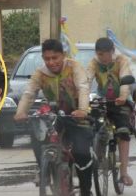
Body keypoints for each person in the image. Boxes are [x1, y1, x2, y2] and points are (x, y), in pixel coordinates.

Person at [14, 39, 93, 196]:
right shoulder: (40, 73)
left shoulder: (74, 67)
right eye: (47, 59)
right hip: (53, 115)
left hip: (75, 115)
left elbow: (83, 88)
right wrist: (21, 112)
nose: (51, 62)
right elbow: (29, 93)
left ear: (63, 55)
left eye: (55, 58)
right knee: (37, 133)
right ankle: (44, 169)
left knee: (81, 153)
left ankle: (86, 190)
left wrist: (83, 110)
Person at [86, 37, 134, 186]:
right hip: (102, 98)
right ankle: (96, 155)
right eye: (100, 56)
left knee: (123, 132)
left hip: (121, 99)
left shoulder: (121, 61)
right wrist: (83, 98)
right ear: (97, 53)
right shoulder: (94, 63)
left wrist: (123, 97)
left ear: (112, 52)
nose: (103, 60)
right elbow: (86, 80)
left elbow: (126, 79)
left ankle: (124, 172)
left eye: (106, 56)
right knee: (90, 126)